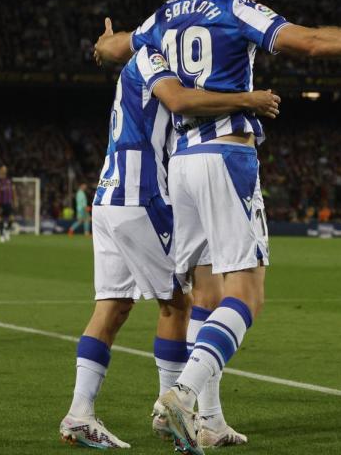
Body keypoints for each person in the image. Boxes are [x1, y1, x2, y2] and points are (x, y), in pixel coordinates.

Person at [94, 0, 341, 455]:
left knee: (207, 296)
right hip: (226, 157)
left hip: (183, 166)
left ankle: (208, 420)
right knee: (248, 295)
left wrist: (103, 46)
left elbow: (120, 46)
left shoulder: (165, 14)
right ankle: (183, 395)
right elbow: (308, 41)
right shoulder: (236, 9)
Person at [59, 40, 279, 448]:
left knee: (112, 305)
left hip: (108, 193)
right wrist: (247, 99)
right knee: (181, 300)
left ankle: (79, 413)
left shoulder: (150, 56)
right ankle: (173, 415)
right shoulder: (156, 56)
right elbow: (178, 100)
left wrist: (109, 48)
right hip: (141, 192)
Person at [0, 165, 16, 243]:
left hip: (8, 203)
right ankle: (2, 235)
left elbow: (13, 190)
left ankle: (7, 230)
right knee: (0, 218)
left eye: (5, 169)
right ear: (0, 170)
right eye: (3, 169)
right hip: (0, 203)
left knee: (12, 218)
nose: (5, 170)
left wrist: (15, 200)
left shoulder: (9, 180)